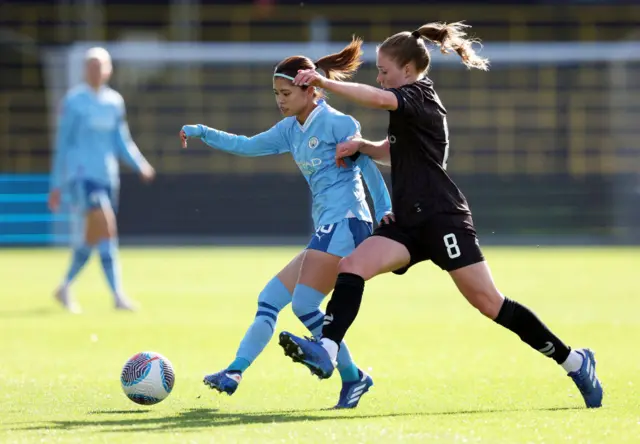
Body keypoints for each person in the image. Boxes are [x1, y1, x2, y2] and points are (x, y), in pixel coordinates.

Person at [278, 22, 603, 409]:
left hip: (441, 217)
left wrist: (324, 83)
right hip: (407, 222)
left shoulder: (418, 94)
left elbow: (376, 101)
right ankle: (327, 349)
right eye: (378, 71)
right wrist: (365, 146)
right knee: (352, 265)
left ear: (409, 71)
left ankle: (575, 361)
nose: (379, 78)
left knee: (489, 303)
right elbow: (396, 151)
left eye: (384, 70)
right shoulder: (407, 103)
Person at [179, 37, 393, 409]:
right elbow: (245, 146)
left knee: (304, 304)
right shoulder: (290, 129)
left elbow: (367, 167)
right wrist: (201, 130)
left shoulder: (338, 123)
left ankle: (344, 370)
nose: (279, 99)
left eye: (285, 92)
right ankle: (236, 371)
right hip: (328, 228)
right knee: (270, 300)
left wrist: (386, 210)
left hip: (348, 223)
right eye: (276, 93)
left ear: (310, 89)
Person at [49, 47, 156, 314]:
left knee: (94, 237)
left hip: (107, 176)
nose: (97, 71)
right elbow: (62, 144)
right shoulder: (73, 102)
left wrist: (139, 163)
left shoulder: (114, 102)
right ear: (86, 70)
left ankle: (64, 287)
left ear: (108, 70)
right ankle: (118, 296)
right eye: (92, 66)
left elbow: (122, 140)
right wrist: (56, 185)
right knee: (107, 226)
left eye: (101, 66)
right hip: (82, 176)